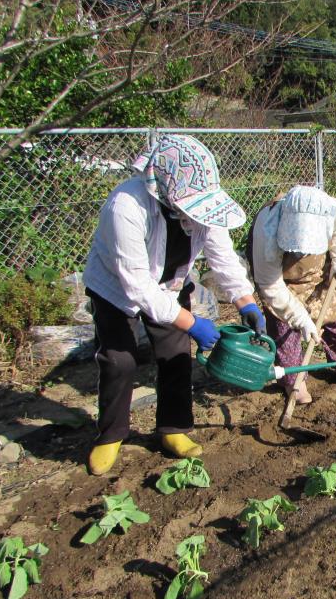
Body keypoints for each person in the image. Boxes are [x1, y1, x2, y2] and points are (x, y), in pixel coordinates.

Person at [82, 134, 264, 475]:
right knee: (119, 361)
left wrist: (246, 302)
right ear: (164, 188)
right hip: (116, 289)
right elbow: (137, 286)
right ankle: (111, 435)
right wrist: (193, 323)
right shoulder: (126, 206)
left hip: (170, 284)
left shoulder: (205, 208)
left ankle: (173, 428)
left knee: (175, 355)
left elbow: (222, 258)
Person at [248, 185, 336, 405]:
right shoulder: (267, 230)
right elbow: (270, 286)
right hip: (283, 280)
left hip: (318, 272)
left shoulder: (332, 210)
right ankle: (294, 379)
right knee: (284, 328)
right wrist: (302, 320)